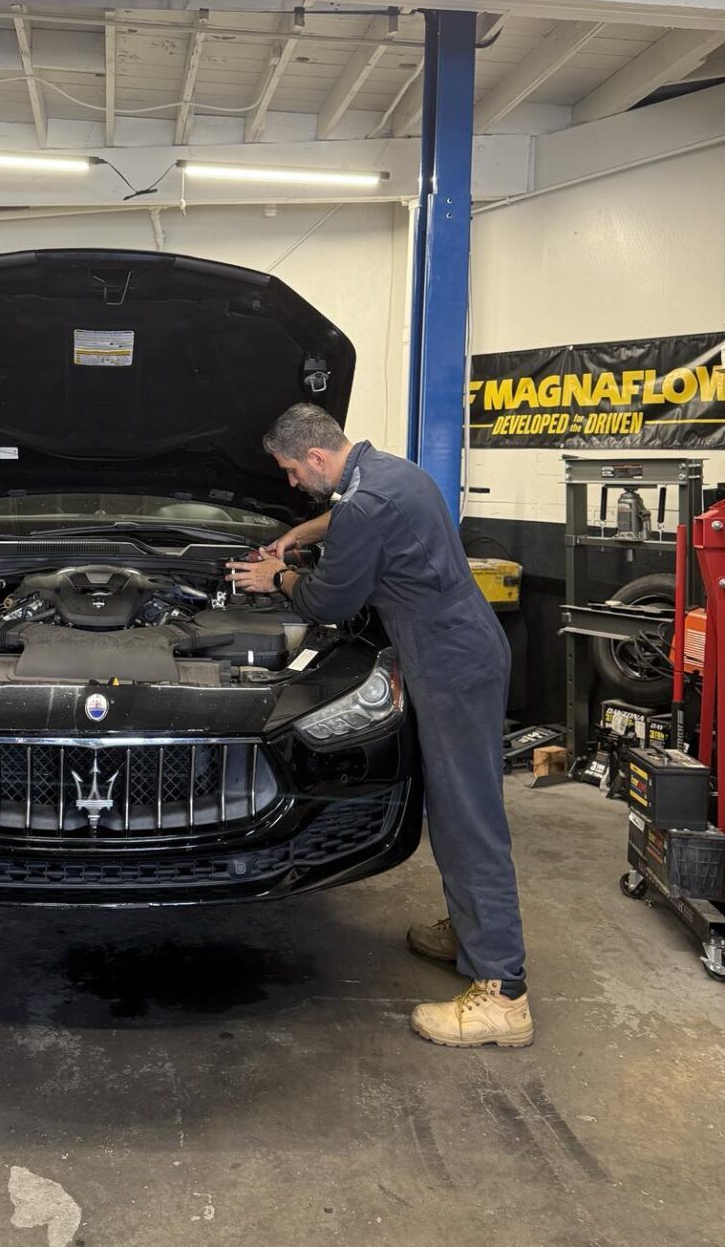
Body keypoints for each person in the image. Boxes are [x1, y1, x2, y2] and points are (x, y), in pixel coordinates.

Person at [226, 403, 531, 1049]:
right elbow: (345, 517)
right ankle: (470, 931)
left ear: (312, 458)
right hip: (460, 650)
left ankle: (503, 991)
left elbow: (326, 600)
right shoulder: (392, 472)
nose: (288, 485)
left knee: (469, 816)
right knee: (452, 807)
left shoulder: (367, 505)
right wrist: (300, 535)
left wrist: (274, 574)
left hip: (450, 665)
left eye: (287, 471)